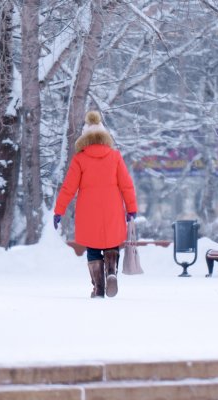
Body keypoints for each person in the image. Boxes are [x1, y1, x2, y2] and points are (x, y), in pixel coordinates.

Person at [54, 110, 137, 298]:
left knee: (92, 247)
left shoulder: (80, 159)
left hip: (88, 211)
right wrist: (131, 209)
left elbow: (68, 188)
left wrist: (59, 211)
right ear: (104, 137)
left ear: (85, 139)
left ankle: (98, 288)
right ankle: (111, 271)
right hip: (113, 209)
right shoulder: (115, 157)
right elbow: (127, 185)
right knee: (112, 243)